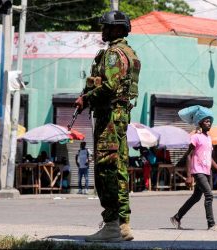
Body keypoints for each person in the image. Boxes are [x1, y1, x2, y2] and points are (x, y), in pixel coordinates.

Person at [74, 10, 140, 242]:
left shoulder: (113, 54)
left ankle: (112, 225)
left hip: (110, 117)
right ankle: (123, 225)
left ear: (118, 29)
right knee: (119, 168)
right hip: (120, 116)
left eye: (107, 27)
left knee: (106, 170)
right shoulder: (129, 52)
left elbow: (110, 86)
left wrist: (86, 98)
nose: (103, 31)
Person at [170, 105, 217, 231]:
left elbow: (209, 157)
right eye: (206, 121)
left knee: (196, 197)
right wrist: (189, 176)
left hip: (206, 171)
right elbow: (189, 155)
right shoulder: (195, 137)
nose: (209, 123)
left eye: (210, 121)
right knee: (209, 195)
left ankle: (177, 217)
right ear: (200, 123)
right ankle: (211, 224)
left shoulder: (209, 139)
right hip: (198, 171)